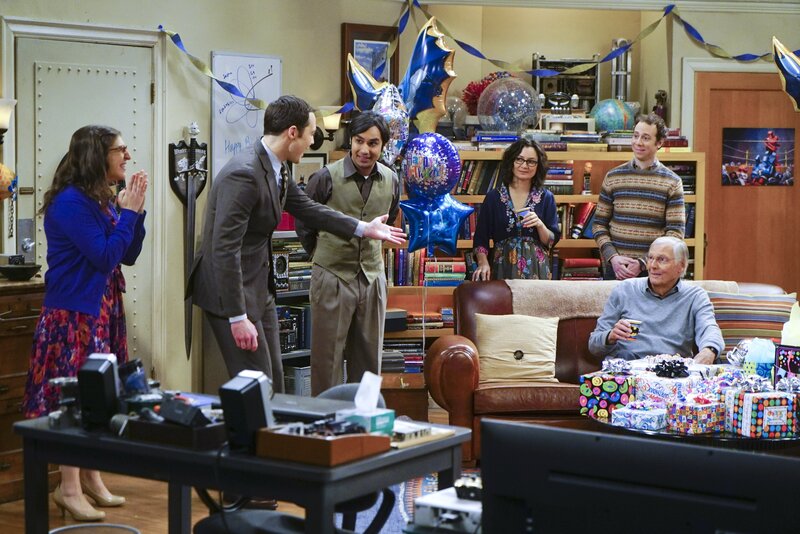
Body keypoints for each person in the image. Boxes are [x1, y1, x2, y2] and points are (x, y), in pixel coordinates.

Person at [188, 96, 405, 393]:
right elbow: (224, 250)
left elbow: (308, 208)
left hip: (259, 289)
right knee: (258, 388)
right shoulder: (245, 174)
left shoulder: (277, 168)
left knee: (274, 382)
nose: (313, 141)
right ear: (293, 133)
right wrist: (237, 317)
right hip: (230, 295)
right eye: (311, 134)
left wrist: (364, 229)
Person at [22, 125, 148, 521]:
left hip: (102, 310)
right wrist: (128, 214)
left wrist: (134, 213)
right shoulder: (71, 203)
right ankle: (69, 487)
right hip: (73, 314)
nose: (127, 156)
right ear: (97, 155)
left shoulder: (100, 199)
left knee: (96, 394)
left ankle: (91, 477)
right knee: (73, 397)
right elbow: (104, 256)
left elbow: (127, 255)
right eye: (120, 150)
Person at [296, 111, 401, 395]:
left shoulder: (392, 180)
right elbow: (304, 223)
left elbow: (389, 218)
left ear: (383, 146)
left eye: (373, 143)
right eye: (359, 141)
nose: (365, 149)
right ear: (351, 141)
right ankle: (326, 418)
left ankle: (364, 418)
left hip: (372, 277)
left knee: (369, 358)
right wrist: (321, 254)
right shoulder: (324, 177)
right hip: (332, 276)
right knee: (327, 359)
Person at [588, 236, 723, 364]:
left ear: (681, 266)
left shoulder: (695, 296)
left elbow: (709, 328)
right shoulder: (625, 290)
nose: (652, 266)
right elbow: (594, 345)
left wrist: (709, 351)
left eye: (662, 260)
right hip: (627, 370)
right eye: (650, 258)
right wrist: (610, 336)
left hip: (670, 372)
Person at [592, 112, 685, 280]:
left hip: (654, 271)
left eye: (646, 138)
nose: (638, 142)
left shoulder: (672, 182)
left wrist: (643, 263)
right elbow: (599, 225)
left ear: (659, 143)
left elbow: (675, 233)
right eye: (635, 136)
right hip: (616, 269)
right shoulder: (613, 177)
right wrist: (613, 257)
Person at [471, 138, 560, 281]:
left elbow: (550, 242)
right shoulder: (494, 197)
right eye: (519, 159)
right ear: (511, 161)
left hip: (537, 271)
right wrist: (483, 263)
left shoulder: (546, 197)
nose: (524, 165)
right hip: (502, 268)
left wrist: (540, 225)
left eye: (531, 161)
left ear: (538, 166)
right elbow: (480, 239)